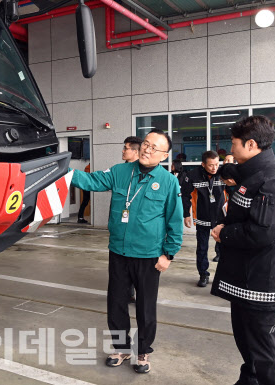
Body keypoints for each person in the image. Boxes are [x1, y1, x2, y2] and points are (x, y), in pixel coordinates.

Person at [70, 129, 183, 374]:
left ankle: (143, 351)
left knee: (145, 307)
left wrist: (168, 254)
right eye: (146, 143)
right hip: (119, 252)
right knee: (117, 303)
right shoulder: (121, 172)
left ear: (163, 156)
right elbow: (92, 181)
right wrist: (64, 172)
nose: (147, 149)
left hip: (149, 255)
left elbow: (175, 221)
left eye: (154, 147)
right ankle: (121, 348)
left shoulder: (168, 182)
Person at [211, 116, 275, 385]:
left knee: (264, 350)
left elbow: (263, 231)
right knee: (247, 343)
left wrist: (223, 232)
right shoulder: (255, 172)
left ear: (251, 144)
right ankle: (249, 380)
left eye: (234, 144)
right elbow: (234, 174)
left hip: (262, 281)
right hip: (248, 277)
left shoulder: (271, 181)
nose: (231, 150)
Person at [181, 151, 225, 287]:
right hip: (202, 217)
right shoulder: (193, 175)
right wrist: (186, 215)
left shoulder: (223, 173)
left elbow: (232, 192)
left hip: (221, 218)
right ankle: (203, 274)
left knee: (225, 248)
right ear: (203, 164)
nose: (214, 168)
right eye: (211, 165)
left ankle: (222, 277)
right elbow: (185, 195)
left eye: (217, 164)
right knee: (202, 247)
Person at [122, 136, 143, 304]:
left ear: (135, 151)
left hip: (140, 229)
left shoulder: (146, 173)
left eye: (126, 148)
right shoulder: (121, 171)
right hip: (123, 229)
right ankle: (128, 292)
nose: (122, 151)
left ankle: (138, 290)